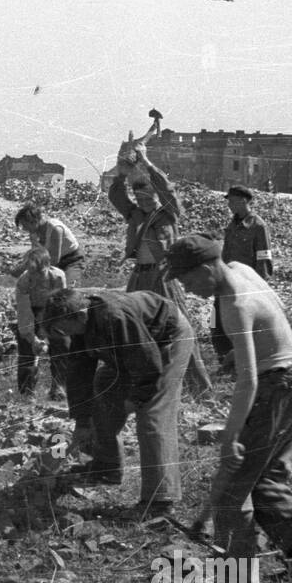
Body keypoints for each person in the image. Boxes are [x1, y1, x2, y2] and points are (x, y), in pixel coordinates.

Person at [166, 235, 292, 583]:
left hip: (277, 391)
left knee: (232, 495)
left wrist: (230, 437)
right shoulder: (241, 269)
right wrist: (253, 350)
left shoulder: (232, 303)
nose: (189, 290)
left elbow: (248, 380)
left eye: (188, 281)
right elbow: (273, 319)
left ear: (203, 269)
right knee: (265, 481)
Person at [43, 287, 193, 522]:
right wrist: (82, 420)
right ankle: (107, 468)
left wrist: (136, 399)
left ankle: (161, 501)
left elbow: (148, 362)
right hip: (135, 349)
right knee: (102, 391)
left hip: (165, 339)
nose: (63, 334)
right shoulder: (81, 324)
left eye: (63, 328)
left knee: (153, 415)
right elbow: (79, 372)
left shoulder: (113, 317)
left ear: (80, 316)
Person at [109, 145, 214, 395]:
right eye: (141, 199)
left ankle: (200, 389)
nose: (145, 203)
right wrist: (122, 173)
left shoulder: (169, 214)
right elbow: (116, 196)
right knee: (136, 330)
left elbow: (167, 189)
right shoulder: (135, 215)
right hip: (139, 277)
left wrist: (146, 160)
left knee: (181, 329)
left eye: (149, 199)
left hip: (164, 277)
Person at [212, 185, 274, 365]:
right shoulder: (232, 225)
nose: (229, 204)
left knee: (242, 325)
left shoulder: (258, 226)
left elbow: (263, 257)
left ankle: (244, 362)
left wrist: (259, 287)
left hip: (245, 285)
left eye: (231, 200)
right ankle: (223, 359)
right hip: (226, 281)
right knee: (216, 320)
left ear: (244, 201)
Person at [13, 247, 67, 398]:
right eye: (32, 273)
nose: (36, 278)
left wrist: (45, 333)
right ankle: (26, 392)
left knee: (62, 343)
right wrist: (33, 339)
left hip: (52, 313)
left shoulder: (57, 278)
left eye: (39, 273)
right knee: (26, 348)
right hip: (32, 310)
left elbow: (59, 307)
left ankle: (58, 388)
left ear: (48, 266)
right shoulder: (23, 282)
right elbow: (24, 314)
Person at [12, 204, 85, 287]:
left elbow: (54, 260)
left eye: (25, 225)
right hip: (52, 262)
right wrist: (23, 269)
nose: (24, 229)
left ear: (34, 221)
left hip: (72, 260)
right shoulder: (34, 233)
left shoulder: (55, 229)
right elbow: (37, 256)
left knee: (67, 291)